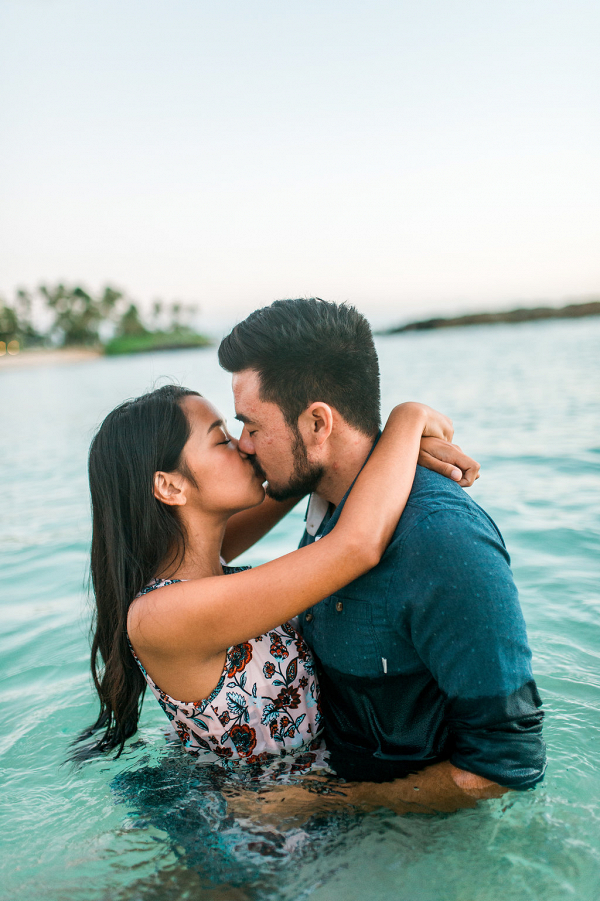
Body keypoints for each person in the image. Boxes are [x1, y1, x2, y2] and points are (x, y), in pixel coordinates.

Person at [217, 298, 546, 804]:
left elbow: (504, 767)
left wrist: (316, 802)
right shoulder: (320, 498)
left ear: (317, 425)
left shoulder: (440, 540)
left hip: (398, 837)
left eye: (253, 427)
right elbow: (210, 541)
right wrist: (405, 422)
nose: (243, 445)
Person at [74, 383, 462, 783]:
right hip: (265, 833)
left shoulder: (203, 561)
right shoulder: (163, 615)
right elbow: (357, 545)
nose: (245, 447)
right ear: (171, 486)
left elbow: (305, 471)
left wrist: (379, 446)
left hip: (307, 800)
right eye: (221, 440)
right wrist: (408, 418)